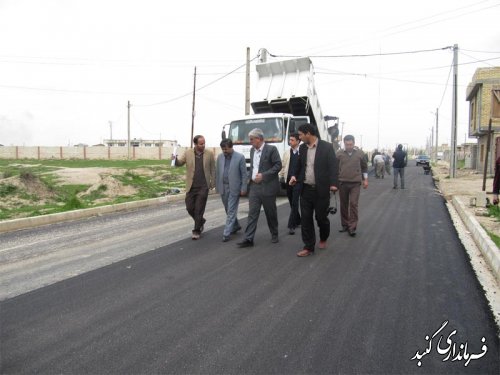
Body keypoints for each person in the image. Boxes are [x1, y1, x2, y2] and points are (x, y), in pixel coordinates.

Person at [289, 123, 338, 257]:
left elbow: (333, 166)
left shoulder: (326, 147)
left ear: (308, 134)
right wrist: (294, 176)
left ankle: (323, 237)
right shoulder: (303, 148)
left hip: (321, 190)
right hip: (305, 189)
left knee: (321, 218)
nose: (299, 137)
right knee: (306, 219)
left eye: (300, 134)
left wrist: (333, 184)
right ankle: (308, 247)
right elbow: (299, 165)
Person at [237, 128, 282, 248]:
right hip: (254, 187)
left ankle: (274, 233)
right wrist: (248, 180)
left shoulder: (271, 149)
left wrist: (263, 175)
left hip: (268, 186)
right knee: (252, 213)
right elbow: (253, 167)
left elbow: (278, 165)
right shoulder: (252, 150)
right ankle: (248, 238)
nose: (250, 141)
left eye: (252, 139)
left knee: (270, 212)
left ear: (259, 139)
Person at [172, 135, 215, 240]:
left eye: (204, 143)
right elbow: (179, 163)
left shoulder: (209, 154)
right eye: (201, 144)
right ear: (195, 144)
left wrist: (212, 183)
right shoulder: (188, 153)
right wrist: (175, 159)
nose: (203, 145)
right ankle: (201, 221)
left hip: (203, 186)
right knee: (190, 208)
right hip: (191, 186)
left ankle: (196, 230)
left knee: (199, 209)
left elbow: (213, 169)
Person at [216, 139, 248, 242]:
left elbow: (244, 174)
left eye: (226, 149)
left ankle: (226, 233)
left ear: (231, 147)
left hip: (234, 187)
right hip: (223, 187)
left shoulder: (240, 157)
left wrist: (244, 188)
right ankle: (236, 226)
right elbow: (218, 172)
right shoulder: (220, 157)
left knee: (231, 210)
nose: (224, 151)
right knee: (227, 208)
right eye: (222, 149)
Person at [336, 135, 368, 237]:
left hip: (355, 183)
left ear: (354, 143)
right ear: (344, 144)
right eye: (346, 144)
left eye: (350, 144)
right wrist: (334, 182)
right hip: (342, 183)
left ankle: (352, 227)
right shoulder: (339, 153)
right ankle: (345, 225)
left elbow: (364, 167)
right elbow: (335, 168)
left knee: (353, 204)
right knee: (343, 204)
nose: (348, 146)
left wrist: (365, 180)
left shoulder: (360, 153)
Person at [279, 133, 302, 235]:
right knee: (291, 201)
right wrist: (281, 176)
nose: (290, 142)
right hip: (288, 180)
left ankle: (291, 225)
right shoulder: (286, 153)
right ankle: (298, 220)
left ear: (298, 141)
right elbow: (283, 166)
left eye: (292, 140)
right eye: (290, 140)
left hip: (298, 181)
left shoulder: (302, 152)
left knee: (295, 202)